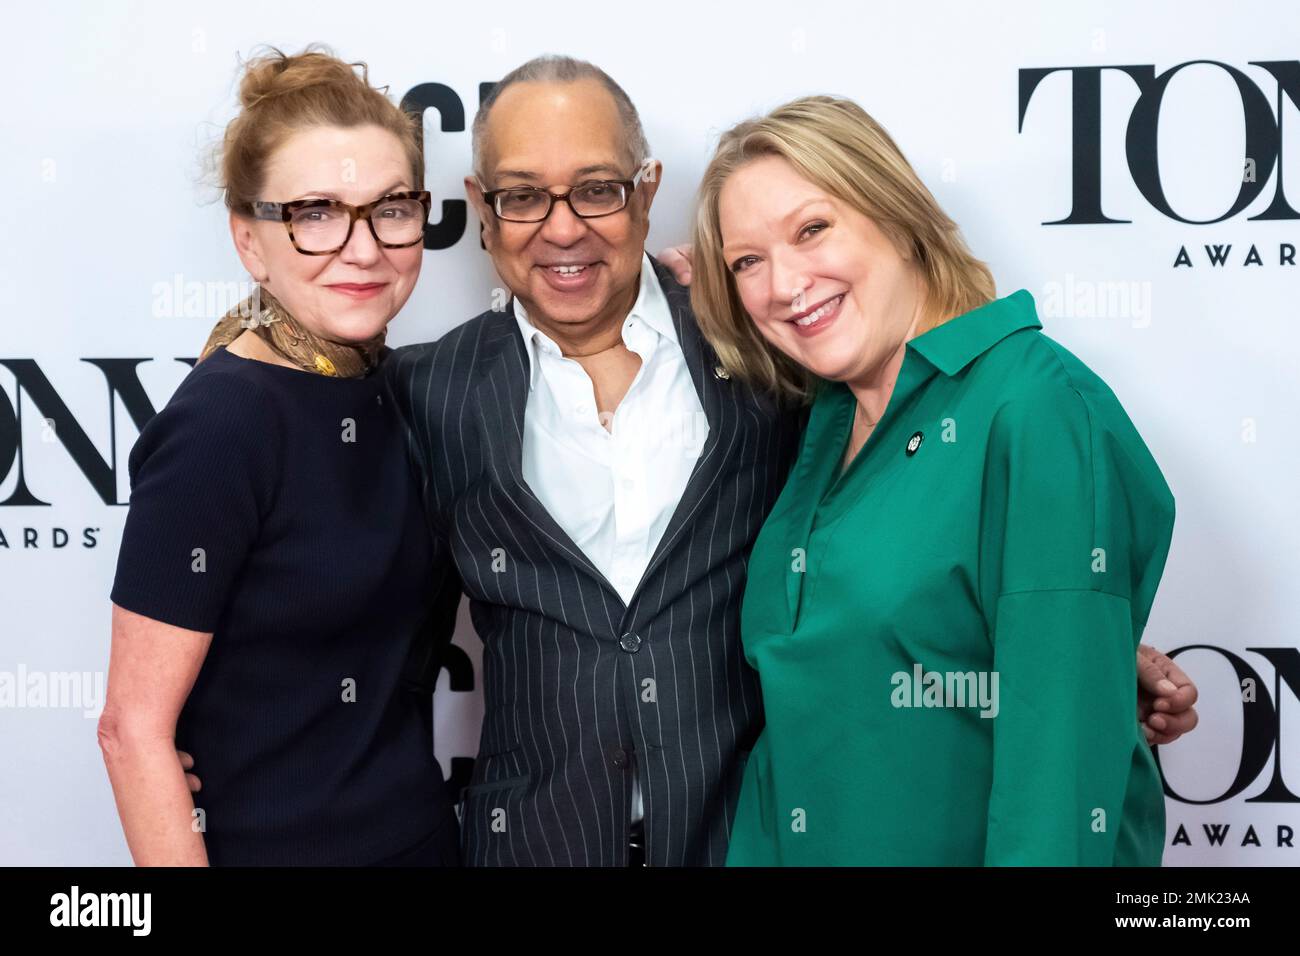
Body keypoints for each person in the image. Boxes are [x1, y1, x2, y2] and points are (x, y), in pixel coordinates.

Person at [384, 55, 1198, 867]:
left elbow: (1050, 764)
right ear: (481, 210)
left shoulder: (815, 377)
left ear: (643, 190)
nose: (563, 227)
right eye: (747, 262)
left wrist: (1072, 644)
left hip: (731, 833)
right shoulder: (823, 403)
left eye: (813, 229)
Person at [686, 93, 1178, 865]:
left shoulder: (1036, 407)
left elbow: (1058, 783)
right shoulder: (826, 419)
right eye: (747, 261)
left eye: (812, 229)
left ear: (898, 215)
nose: (783, 284)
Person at [98, 47, 458, 866]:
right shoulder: (223, 424)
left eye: (391, 208)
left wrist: (687, 298)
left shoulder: (397, 385)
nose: (363, 249)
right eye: (316, 212)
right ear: (249, 241)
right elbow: (131, 732)